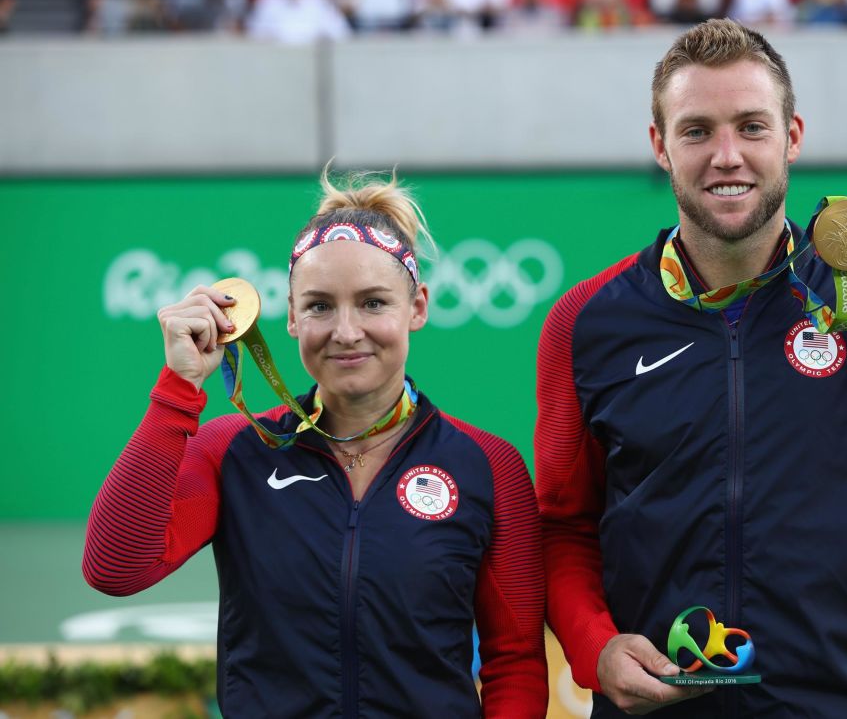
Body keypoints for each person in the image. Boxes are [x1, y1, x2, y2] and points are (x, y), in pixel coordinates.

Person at [535, 18, 847, 717]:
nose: (727, 155)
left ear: (792, 136)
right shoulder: (586, 322)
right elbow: (563, 527)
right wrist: (596, 648)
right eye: (697, 130)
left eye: (752, 126)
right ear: (660, 147)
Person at [84, 171, 548, 718]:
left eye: (374, 303)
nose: (346, 332)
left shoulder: (486, 464)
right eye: (320, 306)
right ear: (291, 316)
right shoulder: (235, 450)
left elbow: (514, 660)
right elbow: (115, 568)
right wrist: (178, 388)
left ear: (417, 307)